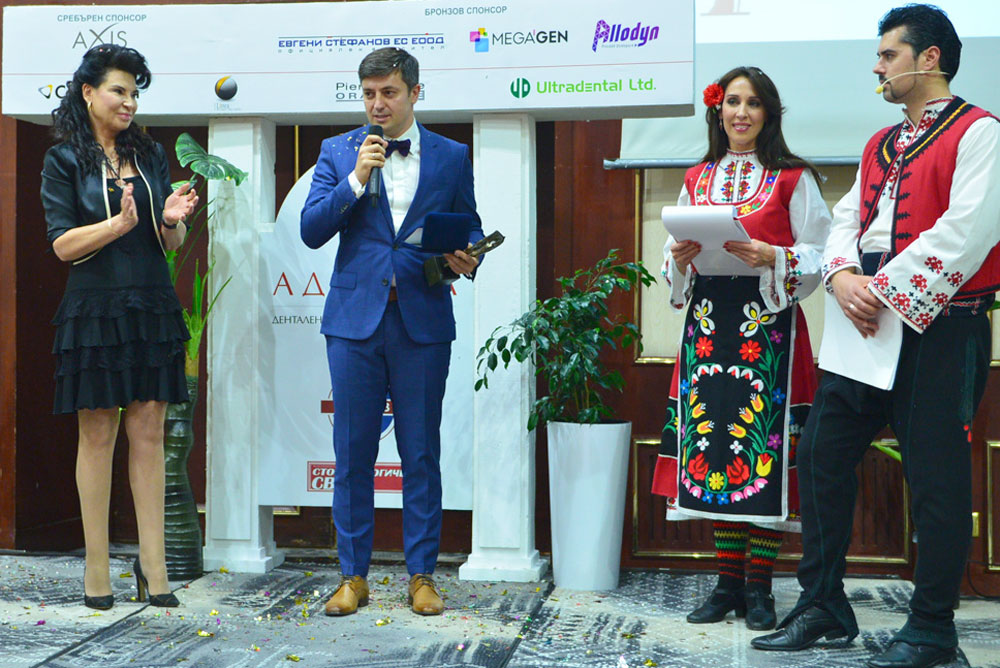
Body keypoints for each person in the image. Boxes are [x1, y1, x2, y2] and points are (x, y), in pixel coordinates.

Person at [751, 6, 1000, 668]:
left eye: (888, 55)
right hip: (865, 326)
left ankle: (932, 629)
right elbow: (845, 220)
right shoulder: (879, 144)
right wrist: (840, 277)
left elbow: (968, 232)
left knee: (936, 479)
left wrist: (881, 290)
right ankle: (823, 604)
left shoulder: (980, 132)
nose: (877, 67)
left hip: (942, 327)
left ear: (929, 59)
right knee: (820, 455)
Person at [301, 47, 483, 617]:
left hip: (421, 320)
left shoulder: (452, 156)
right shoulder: (339, 152)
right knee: (351, 452)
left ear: (414, 93)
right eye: (369, 94)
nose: (378, 104)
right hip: (354, 324)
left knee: (421, 452)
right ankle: (352, 576)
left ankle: (422, 575)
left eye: (389, 93)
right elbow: (311, 230)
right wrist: (357, 178)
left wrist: (469, 255)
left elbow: (469, 225)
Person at [651, 66, 830, 631]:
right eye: (732, 102)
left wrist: (774, 257)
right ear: (718, 110)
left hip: (768, 331)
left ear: (768, 113)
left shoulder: (792, 178)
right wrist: (678, 258)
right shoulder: (697, 176)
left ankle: (759, 587)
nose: (741, 113)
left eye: (753, 103)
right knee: (717, 450)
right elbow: (671, 257)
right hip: (708, 330)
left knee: (761, 453)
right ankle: (726, 583)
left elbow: (822, 253)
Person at [42, 44, 199, 610]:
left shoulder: (148, 153)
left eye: (135, 92)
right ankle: (96, 566)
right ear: (89, 93)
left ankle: (154, 567)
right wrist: (118, 224)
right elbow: (62, 245)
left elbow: (167, 240)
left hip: (151, 303)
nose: (129, 101)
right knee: (98, 434)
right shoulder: (63, 160)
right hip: (94, 309)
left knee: (150, 433)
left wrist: (171, 221)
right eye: (119, 90)